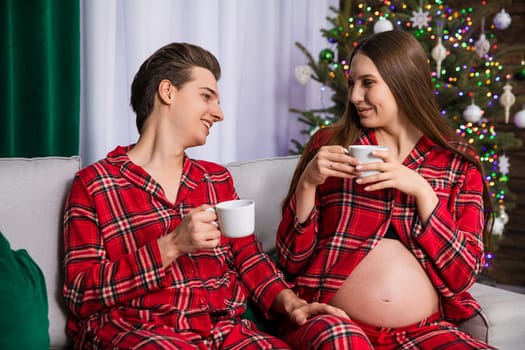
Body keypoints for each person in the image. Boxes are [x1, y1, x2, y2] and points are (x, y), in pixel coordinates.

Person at [62, 42, 347, 349]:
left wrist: (291, 303)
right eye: (206, 96)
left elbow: (248, 257)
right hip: (137, 329)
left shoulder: (216, 180)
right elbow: (81, 294)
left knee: (328, 337)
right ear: (167, 92)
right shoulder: (95, 184)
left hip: (221, 331)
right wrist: (170, 246)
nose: (219, 114)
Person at [276, 30, 496, 349]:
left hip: (423, 331)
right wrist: (308, 184)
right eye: (352, 83)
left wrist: (423, 192)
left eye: (367, 83)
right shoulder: (331, 147)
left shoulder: (456, 162)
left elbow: (462, 276)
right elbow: (290, 261)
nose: (354, 97)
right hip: (333, 322)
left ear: (403, 81)